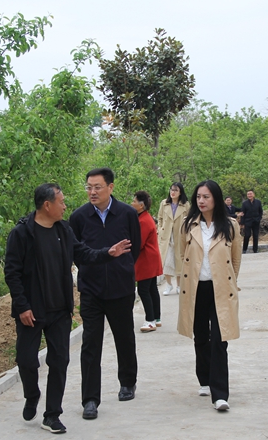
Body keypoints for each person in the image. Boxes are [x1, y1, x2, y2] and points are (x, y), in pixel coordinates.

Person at [4, 183, 131, 434]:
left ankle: (52, 415)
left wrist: (108, 253)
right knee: (26, 360)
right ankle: (32, 394)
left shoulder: (63, 230)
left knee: (59, 361)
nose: (65, 206)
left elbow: (82, 254)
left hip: (60, 310)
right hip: (31, 311)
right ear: (47, 205)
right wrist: (22, 306)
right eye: (61, 202)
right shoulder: (22, 233)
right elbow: (12, 273)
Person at [69, 167, 142, 421]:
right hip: (91, 290)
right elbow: (76, 252)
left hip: (121, 288)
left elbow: (135, 247)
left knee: (124, 337)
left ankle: (128, 382)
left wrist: (123, 268)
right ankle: (90, 399)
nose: (92, 192)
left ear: (110, 187)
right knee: (90, 343)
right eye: (88, 187)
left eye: (97, 187)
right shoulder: (79, 217)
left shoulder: (127, 214)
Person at [177, 180, 242, 411]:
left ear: (216, 198)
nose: (201, 201)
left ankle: (220, 394)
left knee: (220, 339)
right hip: (196, 288)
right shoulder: (188, 225)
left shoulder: (230, 225)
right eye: (198, 197)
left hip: (220, 289)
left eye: (206, 197)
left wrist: (229, 281)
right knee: (201, 336)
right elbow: (182, 255)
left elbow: (235, 259)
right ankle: (204, 378)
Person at [131, 191, 163, 333]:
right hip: (151, 258)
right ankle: (156, 317)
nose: (132, 203)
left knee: (144, 290)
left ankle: (150, 320)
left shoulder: (143, 221)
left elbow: (139, 243)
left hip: (146, 260)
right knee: (151, 289)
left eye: (134, 201)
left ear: (141, 205)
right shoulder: (146, 218)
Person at [156, 182, 189, 295]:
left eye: (176, 190)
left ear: (180, 192)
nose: (173, 192)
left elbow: (190, 219)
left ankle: (179, 285)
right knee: (166, 261)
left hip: (179, 235)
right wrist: (160, 229)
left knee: (179, 261)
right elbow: (160, 217)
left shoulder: (185, 205)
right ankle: (169, 285)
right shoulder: (164, 203)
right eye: (171, 190)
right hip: (166, 236)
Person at [240, 189, 263, 253]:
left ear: (253, 195)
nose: (249, 195)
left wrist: (259, 218)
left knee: (255, 235)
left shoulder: (258, 202)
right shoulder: (244, 203)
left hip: (256, 221)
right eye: (248, 194)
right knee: (247, 235)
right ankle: (244, 249)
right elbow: (242, 213)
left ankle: (255, 249)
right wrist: (242, 223)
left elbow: (260, 211)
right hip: (247, 221)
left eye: (250, 194)